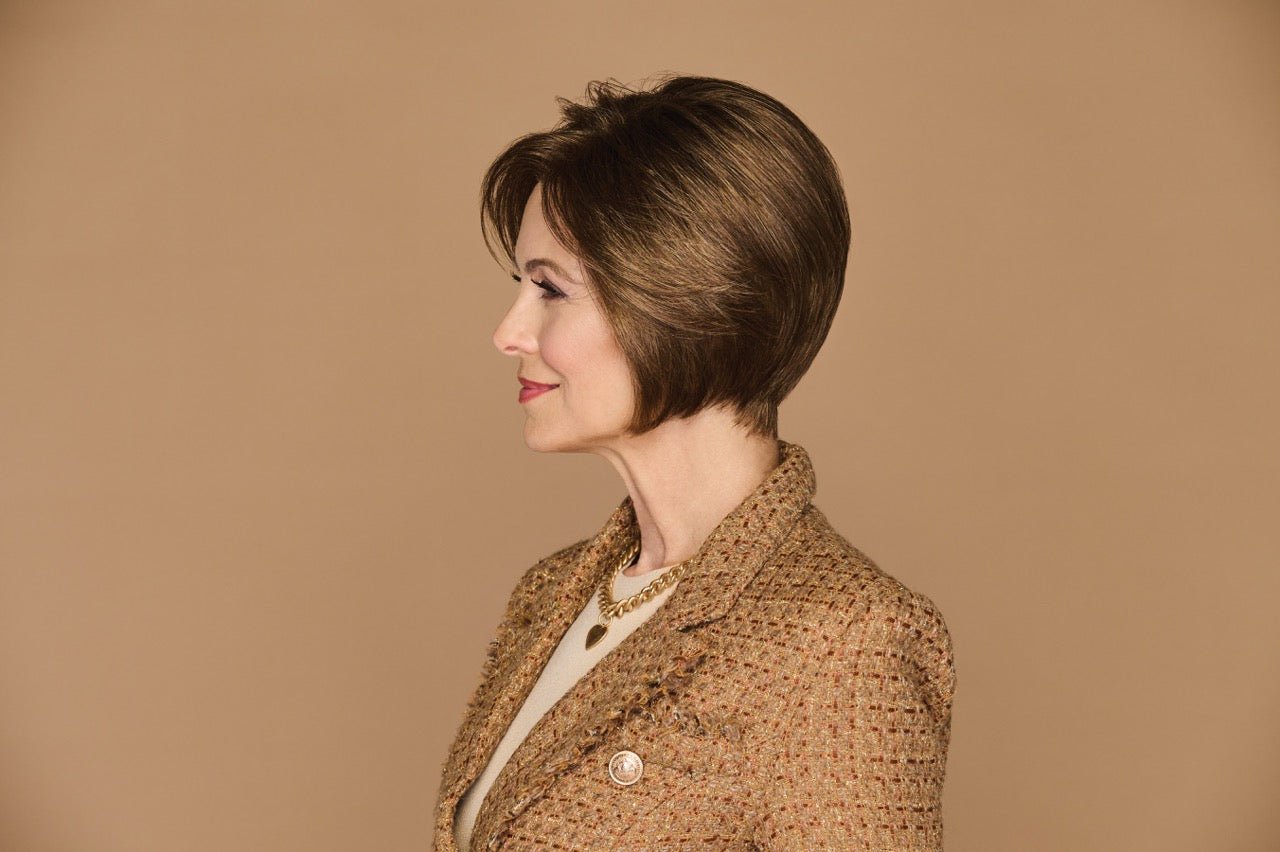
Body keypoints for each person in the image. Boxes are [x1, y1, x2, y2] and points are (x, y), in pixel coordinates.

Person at [433, 73, 956, 851]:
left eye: (550, 289)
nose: (508, 333)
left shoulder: (845, 642)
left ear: (687, 304)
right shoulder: (550, 594)